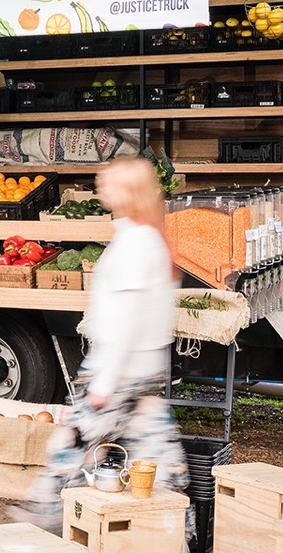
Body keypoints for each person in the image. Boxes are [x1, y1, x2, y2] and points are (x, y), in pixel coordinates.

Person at [12, 154, 188, 532]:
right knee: (152, 451)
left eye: (109, 183)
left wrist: (104, 384)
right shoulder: (149, 237)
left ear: (128, 192)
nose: (100, 186)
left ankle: (42, 516)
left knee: (71, 443)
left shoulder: (134, 245)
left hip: (118, 368)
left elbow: (127, 321)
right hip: (148, 367)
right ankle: (177, 532)